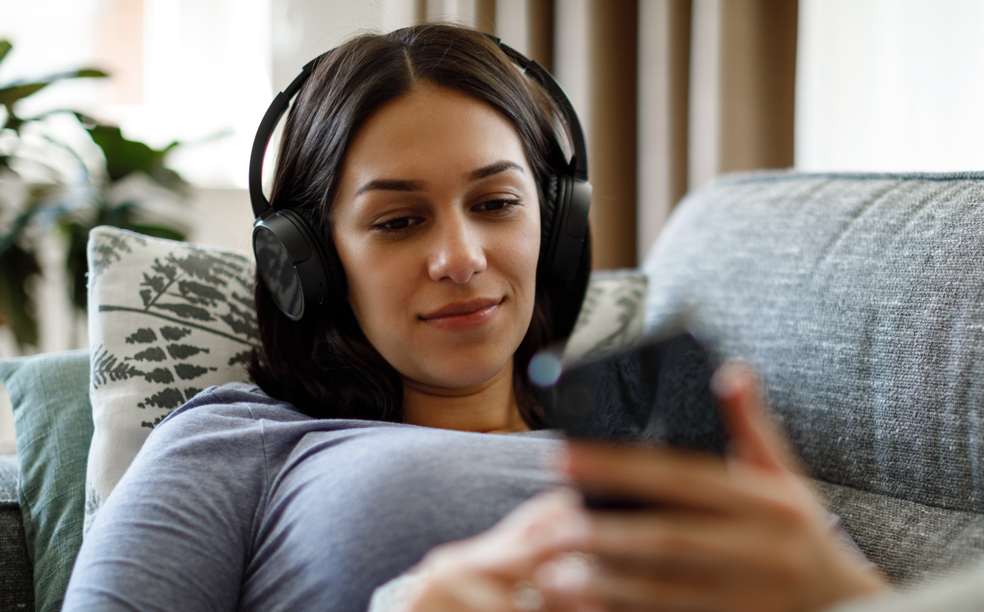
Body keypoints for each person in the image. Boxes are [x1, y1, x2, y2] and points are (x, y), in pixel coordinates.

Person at [63, 23, 888, 612]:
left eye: (495, 202)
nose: (459, 256)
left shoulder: (664, 432)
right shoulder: (237, 443)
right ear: (305, 264)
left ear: (555, 229)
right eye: (397, 221)